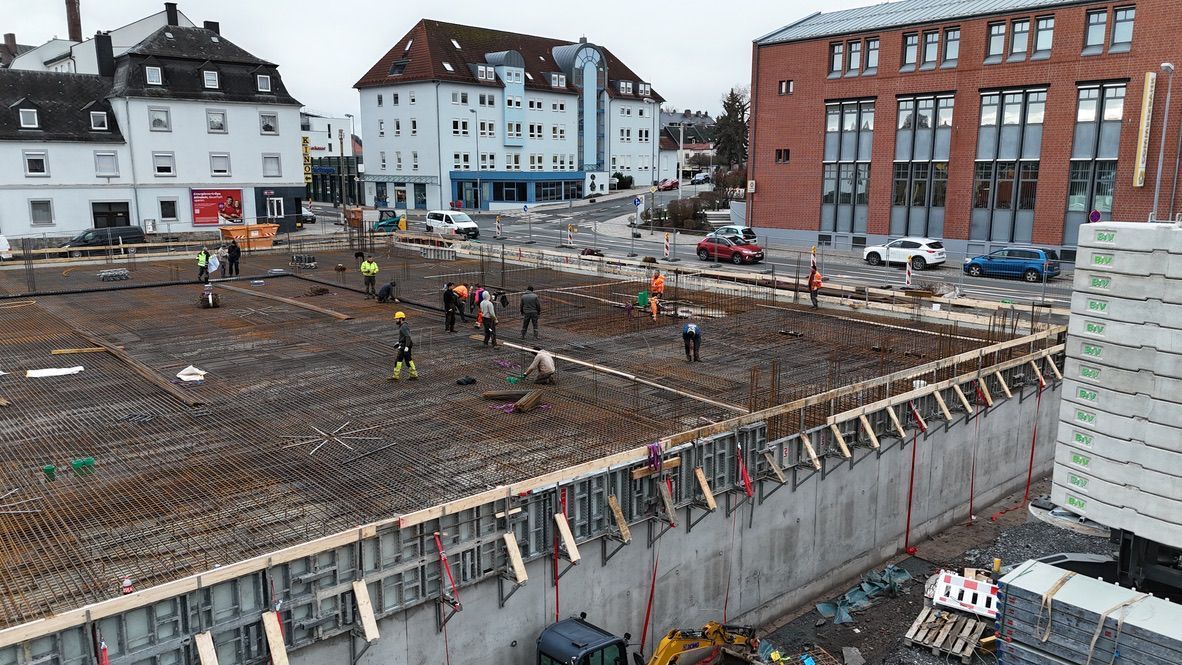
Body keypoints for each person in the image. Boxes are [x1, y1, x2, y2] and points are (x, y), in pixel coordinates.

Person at [389, 311, 418, 380]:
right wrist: (399, 343)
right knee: (399, 360)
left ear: (401, 319)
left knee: (408, 360)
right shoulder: (402, 326)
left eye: (397, 319)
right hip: (403, 345)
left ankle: (413, 375)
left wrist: (407, 347)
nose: (396, 320)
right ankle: (396, 376)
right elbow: (404, 337)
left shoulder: (403, 326)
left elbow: (408, 337)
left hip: (405, 346)